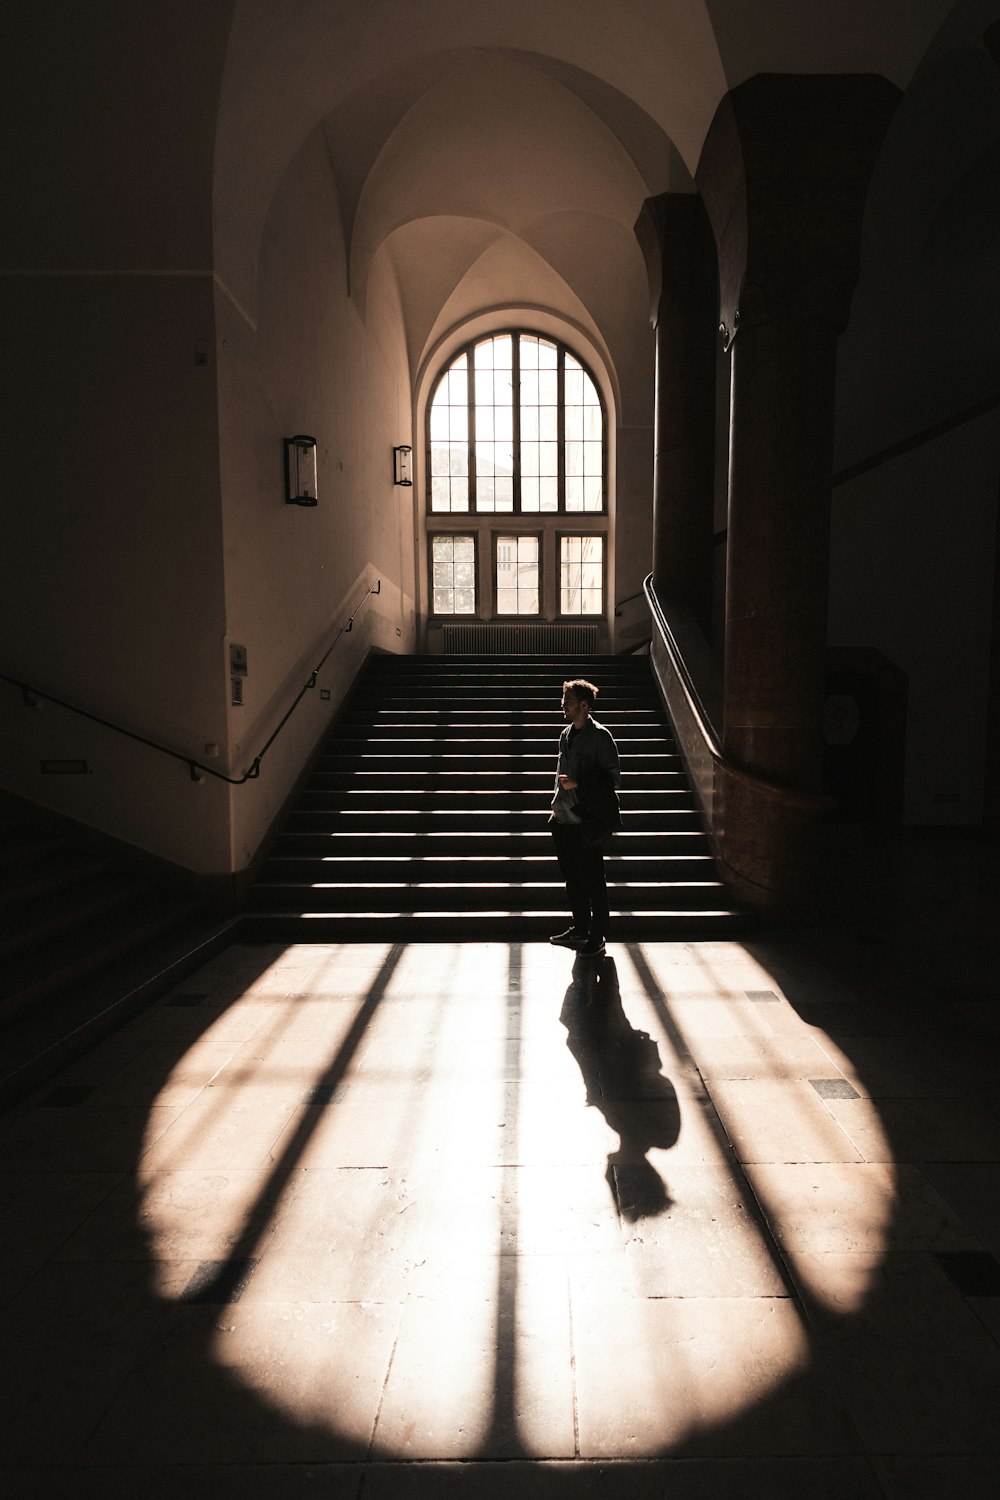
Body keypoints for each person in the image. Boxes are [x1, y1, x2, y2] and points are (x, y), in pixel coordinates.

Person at [548, 677, 621, 956]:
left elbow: (613, 779)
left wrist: (579, 783)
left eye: (568, 701)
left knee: (593, 879)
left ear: (584, 705)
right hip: (564, 818)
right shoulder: (565, 735)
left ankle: (597, 935)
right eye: (563, 700)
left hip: (588, 820)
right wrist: (556, 807)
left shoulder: (601, 737)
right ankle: (580, 928)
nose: (562, 705)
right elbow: (559, 774)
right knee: (573, 878)